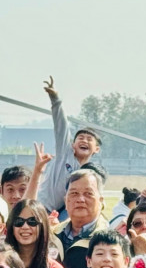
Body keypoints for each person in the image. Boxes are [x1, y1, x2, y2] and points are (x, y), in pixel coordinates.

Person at [35, 78, 102, 214]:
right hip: (41, 207)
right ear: (72, 145)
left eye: (89, 139)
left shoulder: (89, 173)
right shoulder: (65, 154)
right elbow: (61, 126)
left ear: (96, 149)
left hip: (61, 213)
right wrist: (55, 99)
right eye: (81, 138)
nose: (84, 141)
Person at [52, 169, 110, 268]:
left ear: (100, 201)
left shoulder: (109, 240)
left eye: (88, 194)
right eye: (74, 194)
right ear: (66, 200)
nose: (80, 199)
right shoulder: (51, 234)